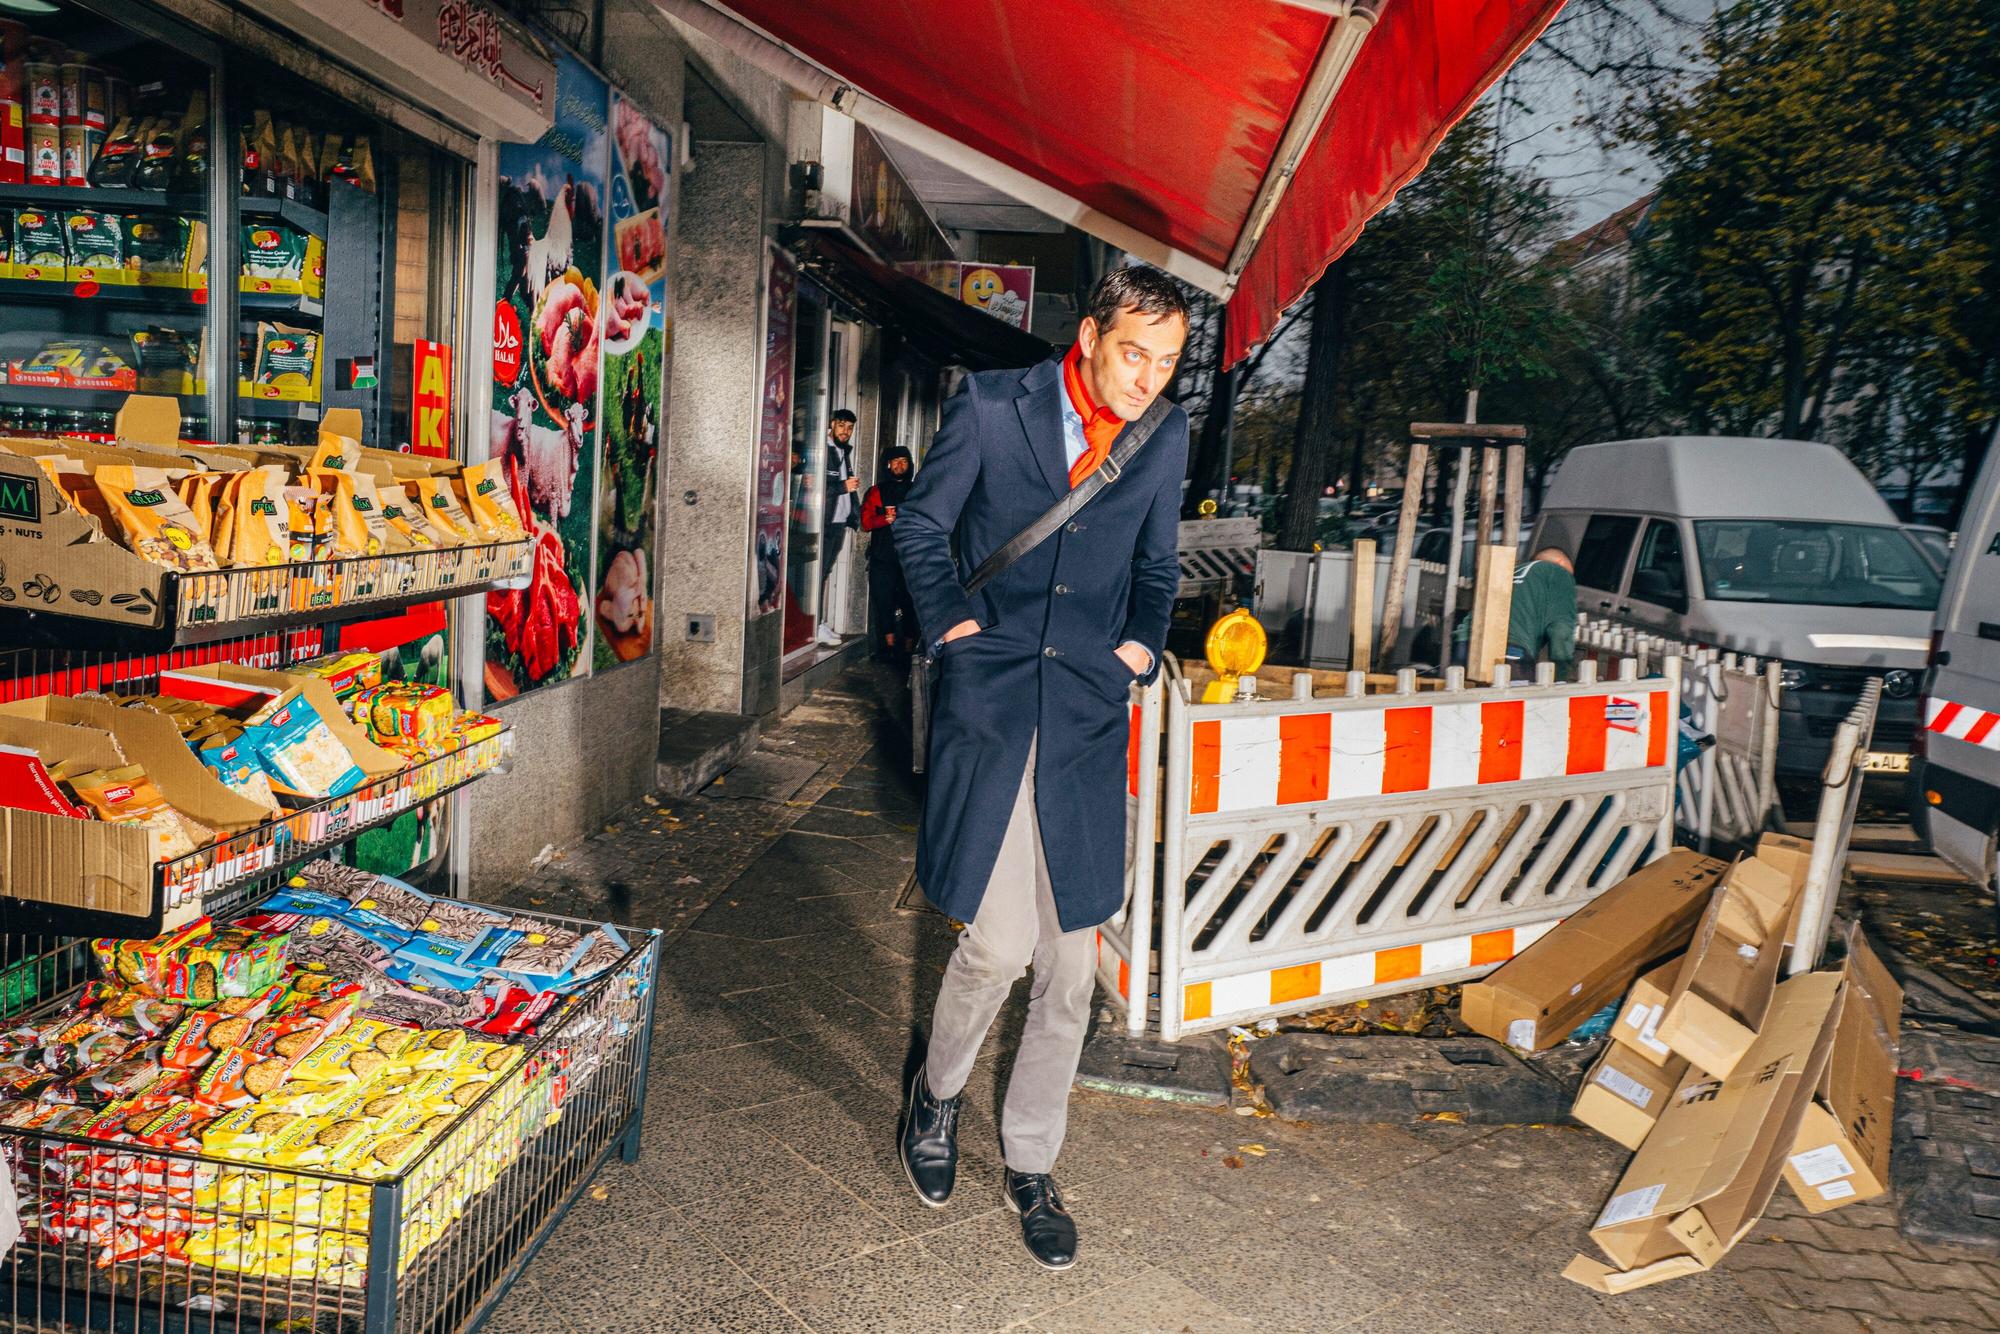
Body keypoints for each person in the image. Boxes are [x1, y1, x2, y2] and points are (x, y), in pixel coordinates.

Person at [894, 266, 1189, 1270]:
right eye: (1133, 353)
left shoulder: (1161, 436)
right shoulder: (990, 406)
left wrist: (1138, 646)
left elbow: (1157, 563)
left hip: (1085, 712)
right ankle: (935, 1096)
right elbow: (920, 523)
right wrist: (952, 625)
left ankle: (1030, 1158)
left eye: (1166, 362)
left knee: (1071, 965)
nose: (1147, 379)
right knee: (998, 945)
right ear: (1090, 336)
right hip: (992, 700)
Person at [1451, 546, 1579, 676]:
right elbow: (1561, 630)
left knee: (1465, 688)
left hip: (1465, 645)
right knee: (1510, 689)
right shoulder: (1559, 572)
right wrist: (1561, 675)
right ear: (1561, 562)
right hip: (1509, 649)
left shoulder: (1510, 572)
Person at [861, 446, 917, 659]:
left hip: (911, 556)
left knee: (911, 602)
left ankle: (909, 650)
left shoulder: (917, 490)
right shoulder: (876, 491)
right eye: (895, 461)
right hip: (882, 557)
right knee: (883, 601)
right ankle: (889, 649)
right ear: (888, 465)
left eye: (904, 461)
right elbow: (866, 523)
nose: (900, 465)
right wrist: (883, 519)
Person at [817, 408, 861, 646]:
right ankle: (814, 625)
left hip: (839, 521)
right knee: (818, 573)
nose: (846, 431)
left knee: (825, 572)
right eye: (842, 425)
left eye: (850, 428)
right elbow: (817, 488)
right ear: (832, 424)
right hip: (824, 522)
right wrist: (844, 487)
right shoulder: (823, 449)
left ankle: (819, 622)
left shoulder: (843, 451)